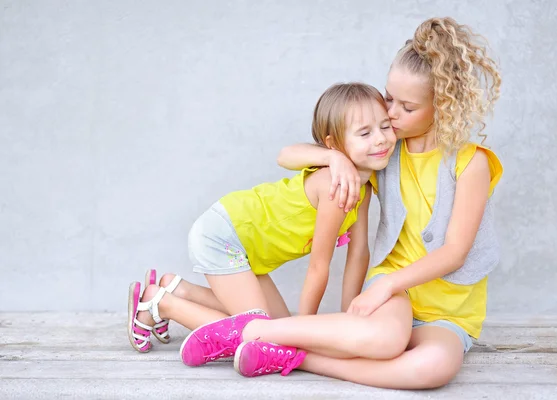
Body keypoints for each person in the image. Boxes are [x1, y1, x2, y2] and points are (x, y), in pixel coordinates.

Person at [181, 17, 504, 389]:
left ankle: (290, 351)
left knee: (432, 369)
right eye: (388, 98)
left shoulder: (471, 163)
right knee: (385, 340)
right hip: (394, 292)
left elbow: (455, 252)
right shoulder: (386, 147)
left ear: (443, 106)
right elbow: (287, 154)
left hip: (448, 308)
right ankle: (263, 332)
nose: (391, 114)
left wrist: (383, 287)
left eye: (407, 107)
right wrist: (333, 158)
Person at [126, 83, 397, 366]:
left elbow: (359, 253)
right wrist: (304, 331)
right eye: (365, 133)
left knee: (278, 323)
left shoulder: (362, 189)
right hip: (224, 236)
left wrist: (349, 316)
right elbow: (319, 266)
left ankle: (178, 289)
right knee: (269, 334)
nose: (380, 139)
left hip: (248, 247)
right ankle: (161, 304)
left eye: (386, 127)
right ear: (333, 145)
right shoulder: (334, 185)